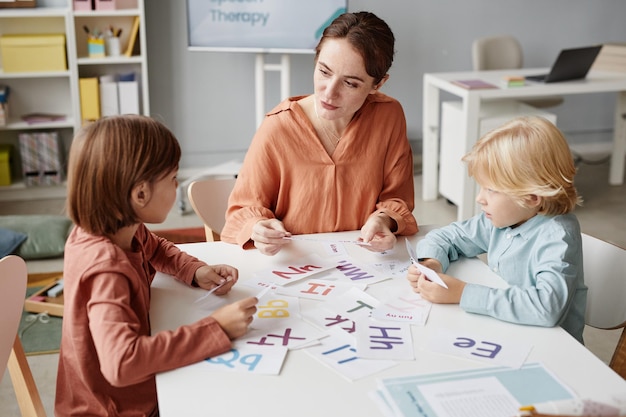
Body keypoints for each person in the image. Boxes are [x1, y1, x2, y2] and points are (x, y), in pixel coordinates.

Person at [55, 115, 258, 417]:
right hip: (113, 408)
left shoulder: (117, 226)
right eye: (174, 179)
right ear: (140, 194)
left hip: (120, 394)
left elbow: (156, 249)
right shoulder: (106, 268)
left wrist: (195, 270)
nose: (177, 187)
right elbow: (122, 363)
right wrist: (216, 328)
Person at [221, 11, 418, 256]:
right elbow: (243, 211)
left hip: (362, 261)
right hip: (295, 263)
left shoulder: (388, 116)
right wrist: (259, 228)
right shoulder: (278, 127)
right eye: (324, 72)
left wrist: (383, 220)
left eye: (350, 83)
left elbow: (397, 198)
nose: (329, 93)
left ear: (377, 85)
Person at [406, 116, 587, 343]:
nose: (480, 198)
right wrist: (432, 262)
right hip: (507, 334)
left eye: (491, 189)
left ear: (530, 197)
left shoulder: (557, 237)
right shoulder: (502, 220)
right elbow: (446, 237)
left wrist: (462, 293)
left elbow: (546, 307)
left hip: (551, 350)